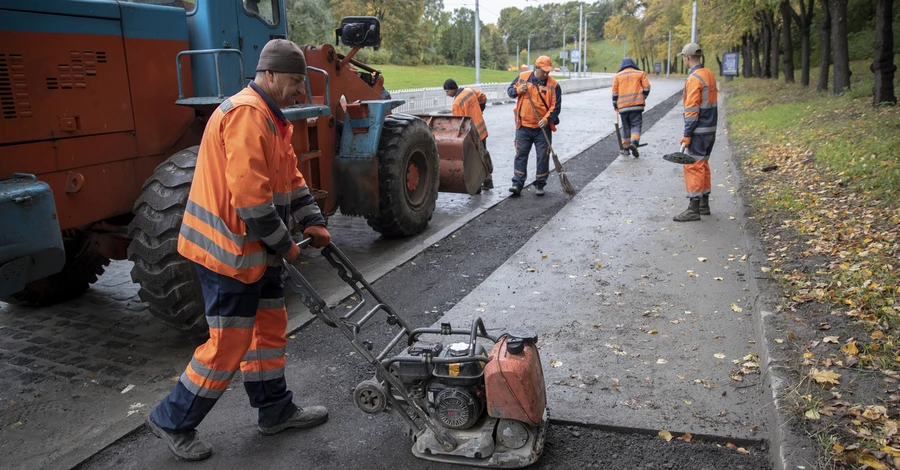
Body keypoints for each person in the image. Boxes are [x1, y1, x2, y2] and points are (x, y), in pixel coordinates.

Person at [145, 39, 332, 461]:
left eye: (302, 81)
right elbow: (251, 200)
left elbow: (290, 176)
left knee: (267, 330)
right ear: (269, 75)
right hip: (227, 252)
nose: (300, 91)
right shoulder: (247, 115)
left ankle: (274, 411)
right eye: (295, 81)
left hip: (254, 250)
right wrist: (287, 245)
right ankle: (171, 419)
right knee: (228, 343)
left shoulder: (271, 117)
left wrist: (313, 219)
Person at [673, 42, 718, 222]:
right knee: (703, 165)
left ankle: (693, 208)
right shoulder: (709, 74)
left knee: (693, 167)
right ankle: (704, 204)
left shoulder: (694, 79)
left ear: (686, 57)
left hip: (699, 131)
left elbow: (691, 111)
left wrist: (687, 135)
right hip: (710, 129)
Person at [507, 55, 561, 197]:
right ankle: (517, 184)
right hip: (523, 126)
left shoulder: (553, 85)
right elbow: (510, 92)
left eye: (548, 71)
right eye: (544, 71)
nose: (546, 74)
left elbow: (556, 107)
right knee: (521, 154)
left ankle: (540, 184)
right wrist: (519, 90)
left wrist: (546, 119)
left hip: (542, 128)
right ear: (536, 68)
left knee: (543, 155)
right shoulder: (523, 77)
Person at [444, 78, 492, 190]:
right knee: (483, 155)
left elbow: (458, 123)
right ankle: (488, 181)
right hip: (482, 130)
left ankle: (477, 186)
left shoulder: (457, 103)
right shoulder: (469, 91)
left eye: (447, 91)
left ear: (452, 89)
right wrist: (480, 110)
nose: (447, 94)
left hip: (472, 135)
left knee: (473, 160)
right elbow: (483, 97)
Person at [612, 57, 651, 158]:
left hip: (623, 107)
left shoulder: (618, 76)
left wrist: (615, 104)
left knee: (625, 127)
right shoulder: (640, 73)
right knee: (636, 125)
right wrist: (643, 96)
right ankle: (634, 142)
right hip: (637, 105)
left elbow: (615, 92)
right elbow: (647, 87)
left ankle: (625, 149)